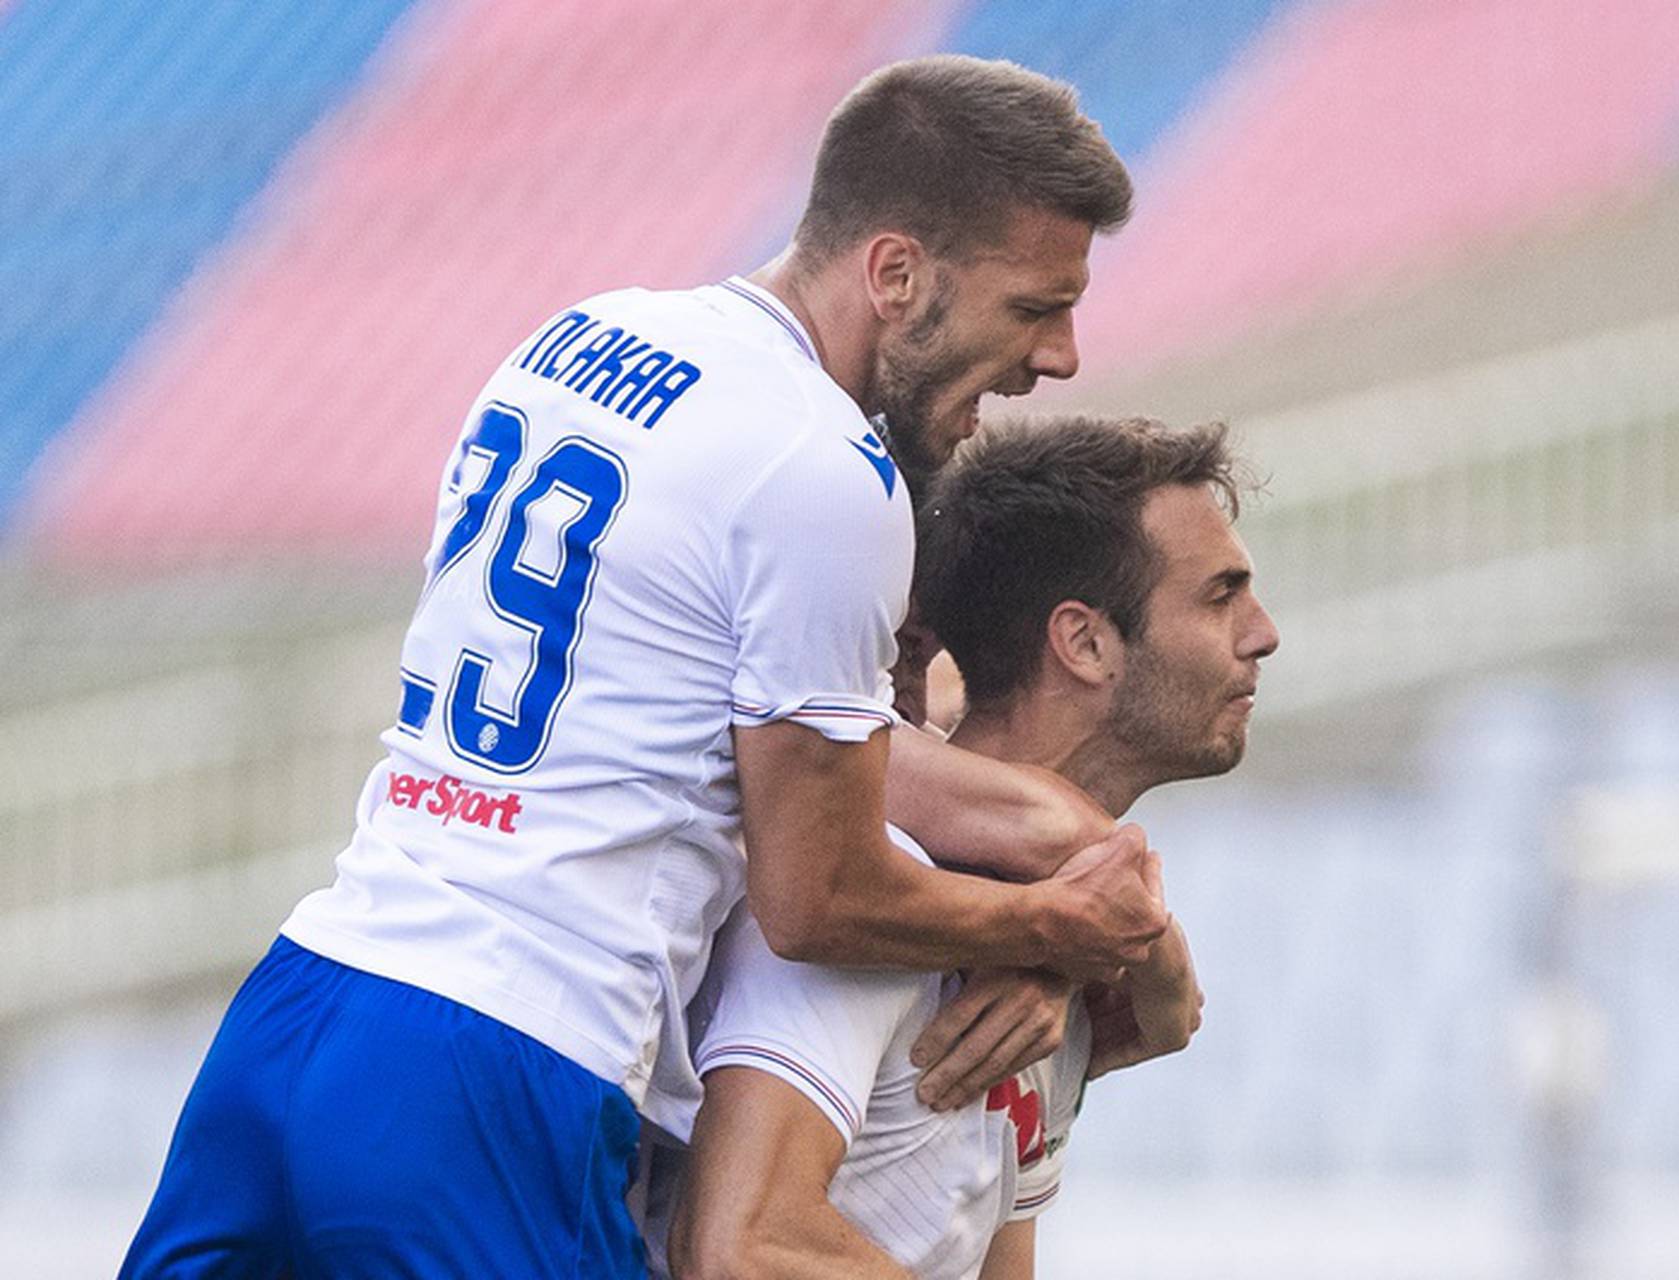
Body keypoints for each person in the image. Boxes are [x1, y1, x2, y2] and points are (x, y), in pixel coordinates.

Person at [122, 56, 1161, 1280]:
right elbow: (816, 891)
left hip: (303, 1000)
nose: (1065, 354)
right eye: (1036, 306)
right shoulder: (825, 470)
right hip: (502, 1059)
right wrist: (1053, 921)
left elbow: (804, 760)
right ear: (896, 273)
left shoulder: (583, 337)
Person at [665, 415, 1280, 1279]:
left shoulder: (1058, 961)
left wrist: (1117, 947)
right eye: (1222, 595)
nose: (1263, 633)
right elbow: (742, 1249)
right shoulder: (881, 893)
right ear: (1085, 641)